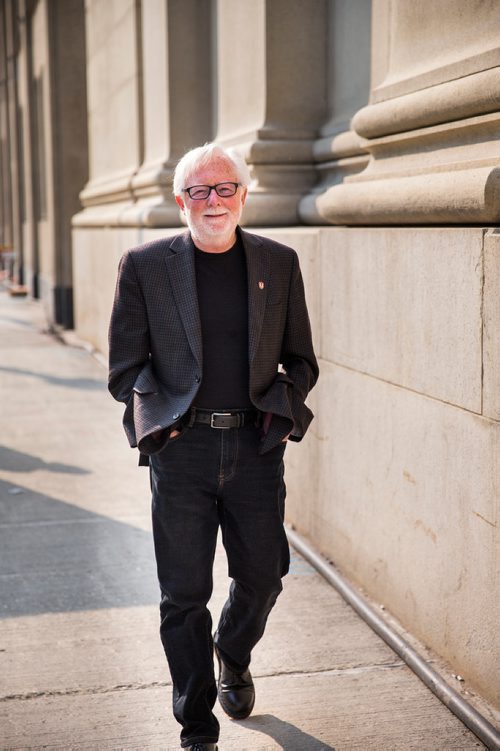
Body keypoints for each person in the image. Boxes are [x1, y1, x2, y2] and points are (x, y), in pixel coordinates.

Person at [108, 143, 319, 751]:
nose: (213, 201)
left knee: (265, 575)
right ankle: (196, 724)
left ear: (243, 196)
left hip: (255, 449)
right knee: (183, 594)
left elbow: (300, 358)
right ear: (180, 204)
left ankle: (233, 651)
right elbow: (127, 370)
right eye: (198, 192)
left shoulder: (278, 263)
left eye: (225, 188)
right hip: (184, 454)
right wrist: (164, 425)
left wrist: (278, 410)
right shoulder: (145, 267)